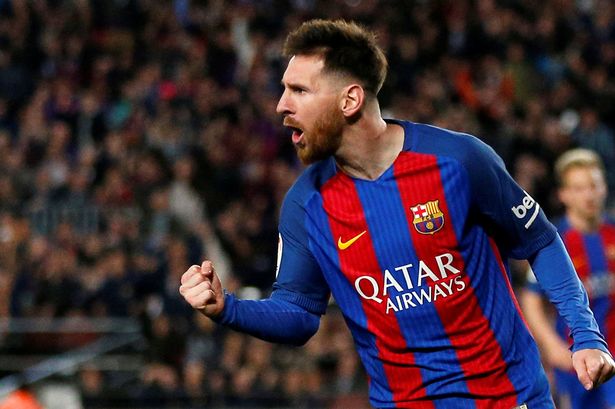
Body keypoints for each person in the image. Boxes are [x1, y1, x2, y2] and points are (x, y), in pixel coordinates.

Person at [179, 19, 615, 408]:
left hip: (507, 399)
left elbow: (540, 240)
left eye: (299, 90)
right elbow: (298, 313)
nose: (281, 105)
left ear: (350, 100)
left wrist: (585, 334)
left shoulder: (459, 161)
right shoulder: (305, 205)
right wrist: (227, 308)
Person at [521, 148, 615, 409]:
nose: (589, 195)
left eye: (594, 186)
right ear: (564, 194)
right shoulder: (552, 242)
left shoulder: (613, 232)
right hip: (575, 358)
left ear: (604, 188)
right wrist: (551, 346)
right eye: (579, 188)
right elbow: (531, 299)